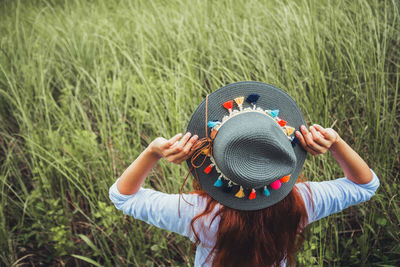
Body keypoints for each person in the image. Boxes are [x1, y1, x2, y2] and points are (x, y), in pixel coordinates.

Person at [109, 82, 379, 266]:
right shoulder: (302, 202)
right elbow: (365, 185)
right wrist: (336, 143)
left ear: (215, 161)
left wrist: (153, 152)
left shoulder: (198, 213)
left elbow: (123, 197)